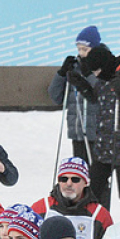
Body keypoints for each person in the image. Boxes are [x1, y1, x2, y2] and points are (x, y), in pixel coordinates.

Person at [69, 45, 120, 208]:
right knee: (92, 192)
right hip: (103, 148)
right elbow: (98, 96)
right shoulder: (106, 78)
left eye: (96, 72)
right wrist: (81, 84)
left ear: (104, 67)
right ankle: (94, 225)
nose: (96, 76)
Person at [31, 157, 114, 239]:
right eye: (64, 179)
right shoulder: (41, 208)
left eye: (75, 179)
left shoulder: (100, 215)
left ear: (85, 183)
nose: (69, 183)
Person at [48, 25, 102, 162]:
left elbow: (102, 92)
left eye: (85, 49)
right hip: (77, 132)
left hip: (98, 133)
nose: (82, 53)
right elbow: (56, 96)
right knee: (80, 173)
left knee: (96, 173)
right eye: (79, 49)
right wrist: (61, 73)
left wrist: (88, 74)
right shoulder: (76, 67)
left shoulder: (104, 65)